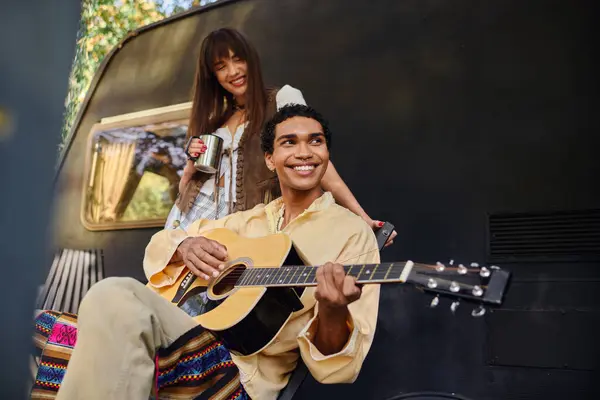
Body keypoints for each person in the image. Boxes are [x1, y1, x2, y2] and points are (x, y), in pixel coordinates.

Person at [30, 104, 380, 400]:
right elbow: (161, 244)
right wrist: (184, 245)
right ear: (271, 159)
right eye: (290, 143)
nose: (304, 152)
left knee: (111, 296)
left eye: (314, 142)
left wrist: (334, 310)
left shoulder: (351, 234)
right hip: (188, 335)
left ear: (326, 154)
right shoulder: (246, 221)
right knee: (36, 325)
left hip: (236, 378)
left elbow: (339, 367)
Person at [165, 27, 396, 246]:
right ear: (213, 75)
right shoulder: (216, 119)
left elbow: (315, 161)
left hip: (249, 219)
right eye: (221, 66)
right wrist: (190, 165)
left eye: (238, 59)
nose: (233, 71)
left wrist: (363, 218)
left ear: (251, 60)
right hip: (194, 213)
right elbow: (188, 184)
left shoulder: (282, 98)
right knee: (173, 283)